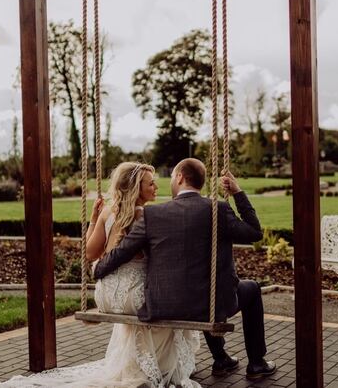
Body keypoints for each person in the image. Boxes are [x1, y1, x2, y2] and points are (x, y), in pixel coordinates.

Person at [0, 162, 200, 388]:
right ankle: (162, 367)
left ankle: (138, 364)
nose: (156, 187)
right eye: (151, 184)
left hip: (105, 294)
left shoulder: (108, 212)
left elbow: (90, 253)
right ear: (136, 188)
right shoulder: (147, 216)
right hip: (132, 296)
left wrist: (93, 219)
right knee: (173, 306)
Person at [94, 158, 276, 380]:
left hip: (163, 304)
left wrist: (98, 270)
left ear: (179, 176)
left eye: (171, 177)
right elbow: (255, 232)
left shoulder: (154, 215)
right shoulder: (218, 209)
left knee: (204, 289)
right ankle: (256, 364)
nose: (169, 182)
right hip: (209, 305)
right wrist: (237, 192)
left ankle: (222, 359)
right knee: (249, 289)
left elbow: (122, 251)